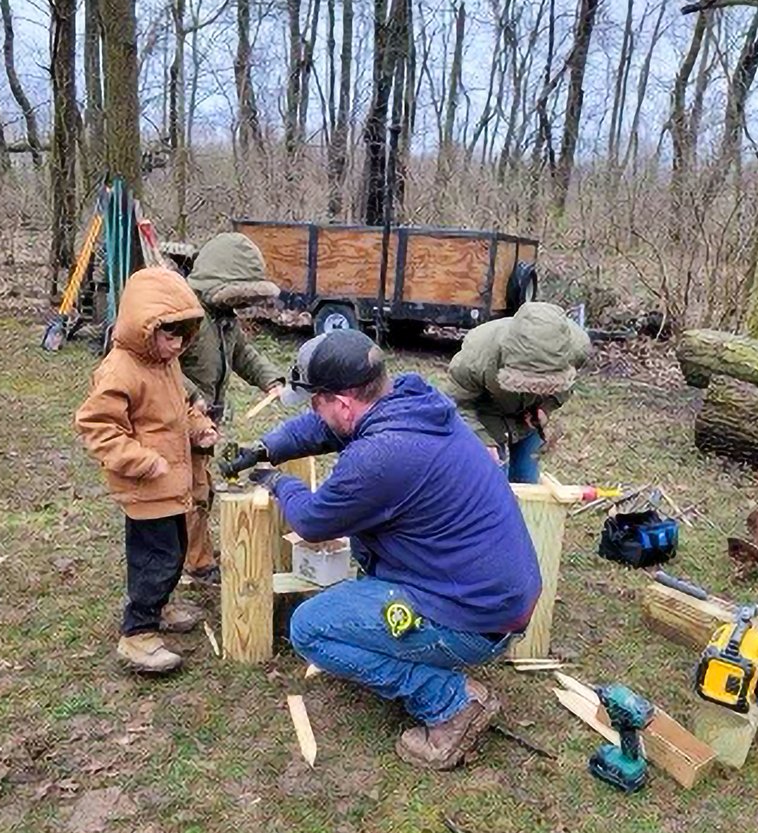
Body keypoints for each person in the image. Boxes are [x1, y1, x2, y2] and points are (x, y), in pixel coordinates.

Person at [223, 329, 542, 771]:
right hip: (493, 595)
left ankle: (451, 704)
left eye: (317, 401)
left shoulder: (382, 454)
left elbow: (314, 521)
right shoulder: (410, 399)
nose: (315, 412)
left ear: (342, 402)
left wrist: (280, 482)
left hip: (474, 618)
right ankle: (438, 658)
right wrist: (266, 448)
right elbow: (321, 428)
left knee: (310, 628)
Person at [75, 267, 218, 674]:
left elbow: (180, 411)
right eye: (169, 335)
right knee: (155, 560)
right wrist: (142, 460)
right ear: (144, 326)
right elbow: (96, 426)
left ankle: (161, 607)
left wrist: (199, 428)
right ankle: (137, 634)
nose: (177, 345)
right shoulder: (121, 369)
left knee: (173, 553)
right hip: (145, 488)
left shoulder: (166, 364)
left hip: (173, 486)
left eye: (183, 337)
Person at [178, 232, 285, 586]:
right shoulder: (185, 316)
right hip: (181, 421)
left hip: (206, 421)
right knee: (192, 493)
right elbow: (162, 370)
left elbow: (242, 354)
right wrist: (193, 399)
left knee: (202, 488)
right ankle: (197, 563)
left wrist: (270, 379)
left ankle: (195, 551)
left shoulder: (223, 318)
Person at [447, 301, 591, 483]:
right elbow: (458, 403)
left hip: (527, 418)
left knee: (526, 477)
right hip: (486, 414)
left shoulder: (576, 349)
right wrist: (480, 439)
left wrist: (546, 407)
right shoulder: (476, 357)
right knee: (493, 481)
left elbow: (566, 386)